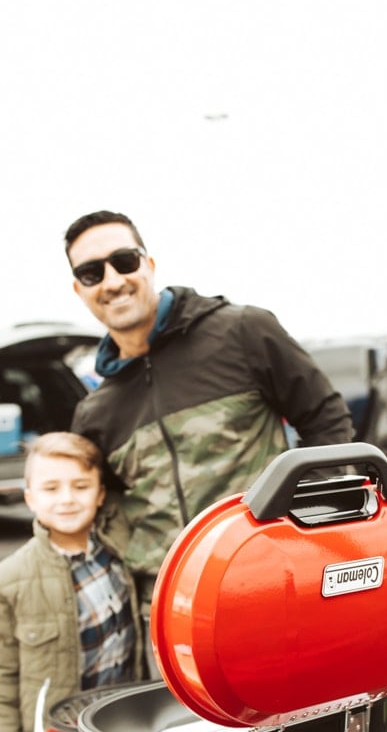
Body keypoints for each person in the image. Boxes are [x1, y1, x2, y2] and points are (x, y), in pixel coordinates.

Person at [63, 209, 355, 669]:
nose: (113, 280)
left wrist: (314, 535)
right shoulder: (96, 413)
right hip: (169, 627)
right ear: (79, 290)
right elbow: (104, 513)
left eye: (124, 260)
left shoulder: (242, 332)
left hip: (273, 598)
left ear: (149, 264)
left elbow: (325, 420)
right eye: (91, 272)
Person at [0, 431, 143, 732]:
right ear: (30, 498)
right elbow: (2, 679)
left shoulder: (124, 551)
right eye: (51, 488)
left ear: (100, 494)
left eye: (80, 486)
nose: (67, 499)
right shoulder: (3, 583)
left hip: (127, 726)